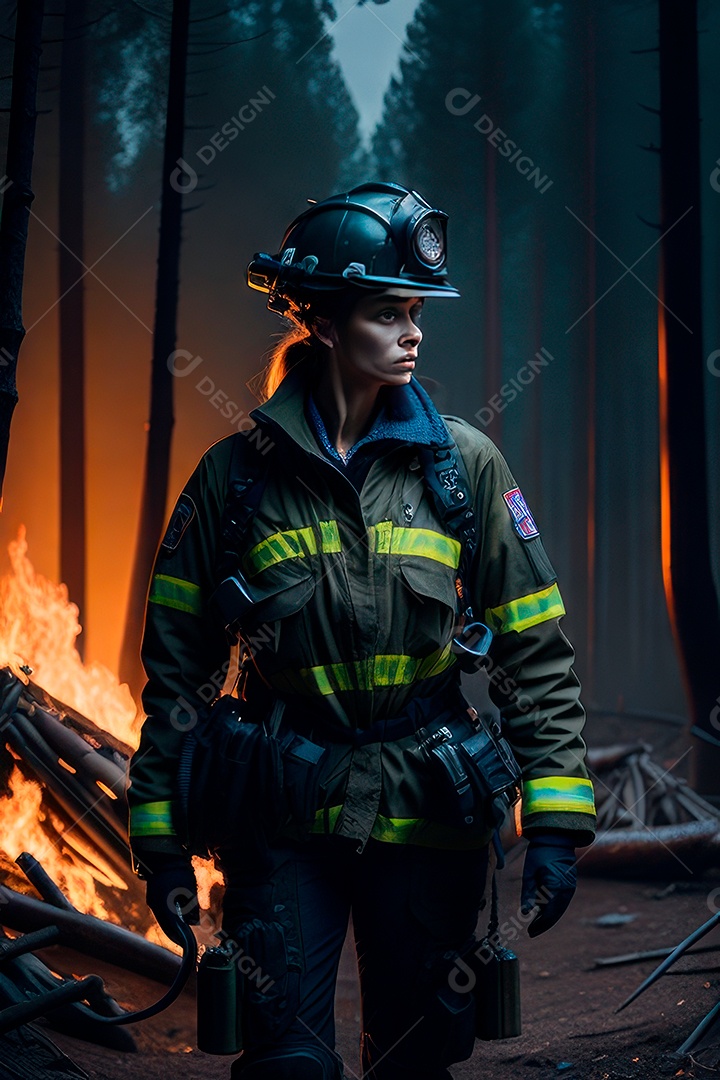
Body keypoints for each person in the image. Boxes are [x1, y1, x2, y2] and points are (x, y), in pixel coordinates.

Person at [127, 181, 596, 1080]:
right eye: (389, 313)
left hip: (430, 816)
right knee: (287, 1065)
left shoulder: (465, 469)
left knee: (416, 1062)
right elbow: (176, 677)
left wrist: (557, 823)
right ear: (326, 326)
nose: (414, 333)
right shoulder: (235, 481)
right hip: (279, 818)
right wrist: (160, 837)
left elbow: (535, 654)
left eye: (417, 311)